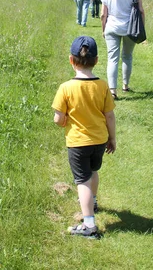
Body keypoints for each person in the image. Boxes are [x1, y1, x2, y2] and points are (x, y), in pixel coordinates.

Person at [52, 36, 117, 238]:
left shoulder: (66, 88)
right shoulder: (103, 85)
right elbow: (109, 115)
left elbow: (58, 118)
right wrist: (112, 138)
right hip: (99, 140)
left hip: (78, 142)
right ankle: (93, 201)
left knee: (82, 181)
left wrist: (64, 121)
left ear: (71, 60)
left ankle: (89, 225)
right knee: (93, 171)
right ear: (96, 60)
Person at [100, 0, 145, 99]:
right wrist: (142, 28)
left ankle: (112, 91)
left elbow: (103, 14)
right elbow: (141, 10)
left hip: (112, 27)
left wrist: (103, 29)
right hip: (130, 28)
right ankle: (125, 85)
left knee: (112, 58)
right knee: (127, 57)